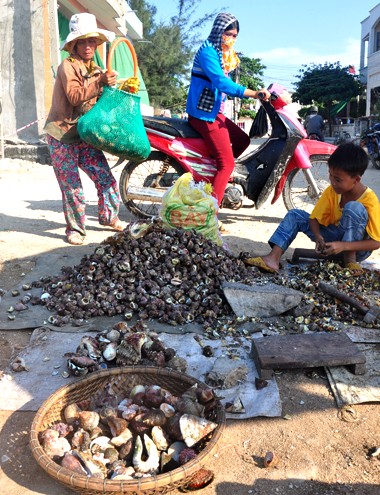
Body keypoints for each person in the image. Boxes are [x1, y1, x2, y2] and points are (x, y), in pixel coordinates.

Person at [44, 13, 125, 245]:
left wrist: (113, 88)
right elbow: (74, 96)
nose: (88, 46)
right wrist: (99, 83)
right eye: (83, 41)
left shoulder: (98, 69)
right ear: (74, 44)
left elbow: (100, 103)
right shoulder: (67, 67)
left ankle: (109, 217)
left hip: (84, 134)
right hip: (61, 135)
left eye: (92, 41)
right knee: (73, 187)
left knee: (106, 178)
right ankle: (76, 229)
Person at [243, 142, 380, 275]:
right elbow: (314, 218)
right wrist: (318, 236)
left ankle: (349, 261)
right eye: (330, 175)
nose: (332, 182)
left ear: (356, 180)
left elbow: (376, 242)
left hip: (356, 250)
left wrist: (343, 246)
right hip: (334, 241)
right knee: (295, 215)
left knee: (353, 208)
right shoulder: (332, 191)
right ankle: (273, 259)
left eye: (337, 179)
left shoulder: (370, 200)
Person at [186, 12, 270, 208]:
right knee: (227, 165)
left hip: (214, 113)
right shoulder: (208, 52)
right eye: (229, 34)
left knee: (242, 140)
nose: (232, 39)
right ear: (219, 31)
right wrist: (253, 93)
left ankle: (213, 176)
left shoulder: (221, 54)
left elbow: (225, 82)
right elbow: (221, 83)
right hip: (203, 115)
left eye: (235, 36)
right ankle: (210, 215)